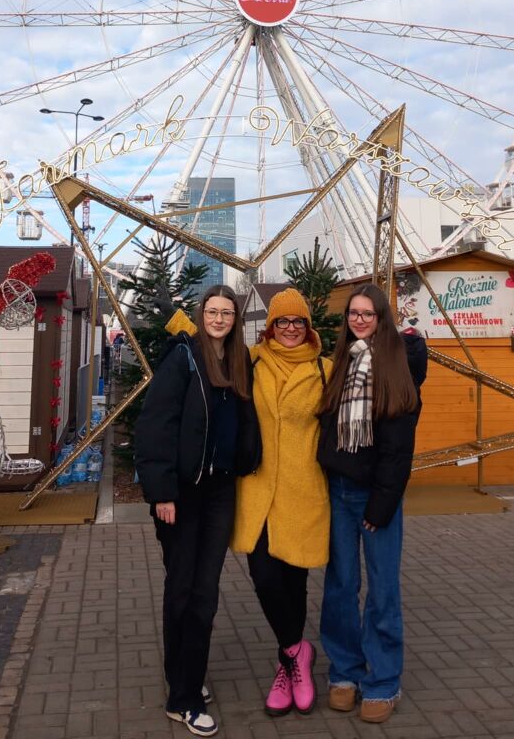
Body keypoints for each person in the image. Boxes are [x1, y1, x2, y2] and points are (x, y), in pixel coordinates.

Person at [167, 286, 332, 718]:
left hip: (302, 492)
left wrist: (411, 355)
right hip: (257, 491)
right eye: (282, 321)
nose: (290, 328)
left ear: (308, 327)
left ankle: (288, 665)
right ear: (270, 326)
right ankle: (296, 653)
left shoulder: (326, 369)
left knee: (294, 581)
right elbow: (209, 354)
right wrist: (178, 325)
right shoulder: (250, 362)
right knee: (264, 577)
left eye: (298, 321)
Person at [135, 285, 261, 738]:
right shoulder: (184, 358)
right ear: (201, 314)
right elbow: (156, 425)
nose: (219, 319)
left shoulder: (239, 362)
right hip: (183, 495)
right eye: (212, 311)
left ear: (235, 319)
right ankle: (183, 698)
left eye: (227, 312)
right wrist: (162, 493)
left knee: (204, 591)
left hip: (220, 492)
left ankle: (186, 677)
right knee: (183, 589)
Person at [316, 282, 427, 725]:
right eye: (353, 313)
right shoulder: (342, 362)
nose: (359, 320)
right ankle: (345, 672)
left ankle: (382, 681)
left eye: (367, 313)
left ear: (381, 318)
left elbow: (399, 449)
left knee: (382, 591)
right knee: (341, 587)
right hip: (338, 490)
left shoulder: (396, 366)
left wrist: (381, 506)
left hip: (377, 496)